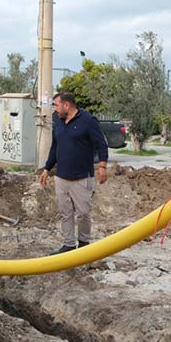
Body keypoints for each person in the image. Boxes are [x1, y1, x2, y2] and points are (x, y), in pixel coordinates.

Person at [39, 91, 108, 254]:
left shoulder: (88, 121)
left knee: (83, 213)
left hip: (82, 177)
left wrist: (103, 166)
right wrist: (47, 168)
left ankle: (84, 244)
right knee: (65, 212)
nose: (54, 109)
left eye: (56, 105)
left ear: (66, 105)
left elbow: (101, 144)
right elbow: (54, 148)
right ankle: (68, 244)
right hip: (61, 177)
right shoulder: (59, 122)